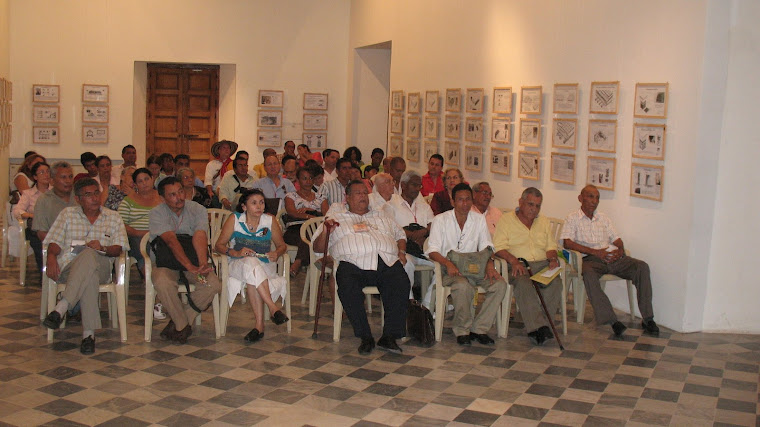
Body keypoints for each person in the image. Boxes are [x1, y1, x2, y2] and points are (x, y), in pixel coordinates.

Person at [313, 180, 410, 355]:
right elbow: (318, 247)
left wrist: (401, 251)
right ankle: (365, 336)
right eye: (358, 193)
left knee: (400, 281)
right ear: (347, 198)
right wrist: (328, 231)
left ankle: (389, 336)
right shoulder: (336, 218)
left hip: (385, 260)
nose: (363, 196)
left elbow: (400, 234)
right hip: (352, 263)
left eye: (365, 193)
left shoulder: (381, 216)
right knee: (347, 285)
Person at [42, 178, 129, 355]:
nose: (94, 198)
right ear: (78, 199)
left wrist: (103, 247)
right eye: (88, 195)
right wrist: (51, 256)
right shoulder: (67, 214)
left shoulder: (113, 217)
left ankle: (62, 307)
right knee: (90, 274)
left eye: (96, 193)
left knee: (90, 254)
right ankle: (88, 335)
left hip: (102, 265)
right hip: (69, 268)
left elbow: (118, 248)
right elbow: (54, 242)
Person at [561, 185, 659, 337]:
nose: (594, 201)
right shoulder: (572, 218)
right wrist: (595, 252)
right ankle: (612, 320)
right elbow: (567, 243)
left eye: (597, 197)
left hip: (612, 257)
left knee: (641, 267)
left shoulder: (604, 218)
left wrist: (620, 251)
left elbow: (617, 239)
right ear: (580, 198)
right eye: (590, 196)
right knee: (589, 275)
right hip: (591, 259)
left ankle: (648, 318)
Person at [426, 183, 507, 346]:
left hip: (475, 268)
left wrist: (490, 264)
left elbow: (487, 246)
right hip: (449, 269)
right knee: (463, 286)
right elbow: (432, 250)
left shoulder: (478, 220)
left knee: (500, 285)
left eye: (468, 199)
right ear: (452, 201)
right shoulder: (440, 220)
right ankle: (462, 330)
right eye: (460, 200)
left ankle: (479, 328)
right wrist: (447, 263)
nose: (465, 204)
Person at [149, 177, 222, 344]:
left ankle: (179, 322)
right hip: (166, 263)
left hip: (195, 260)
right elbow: (171, 242)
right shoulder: (156, 213)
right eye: (172, 194)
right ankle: (183, 326)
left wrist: (202, 265)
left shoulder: (198, 209)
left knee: (212, 284)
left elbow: (200, 235)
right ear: (163, 198)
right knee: (162, 282)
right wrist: (189, 266)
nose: (179, 197)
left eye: (180, 191)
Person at [214, 189, 290, 343]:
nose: (259, 206)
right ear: (244, 206)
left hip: (264, 265)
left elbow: (282, 246)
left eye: (261, 202)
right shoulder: (234, 219)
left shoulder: (270, 221)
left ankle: (259, 327)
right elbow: (219, 246)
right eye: (254, 203)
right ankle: (273, 308)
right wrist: (235, 252)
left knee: (253, 271)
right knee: (250, 262)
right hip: (238, 264)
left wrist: (277, 253)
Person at [493, 188, 562, 346]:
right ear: (520, 202)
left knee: (556, 283)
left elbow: (551, 245)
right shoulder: (506, 220)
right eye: (531, 204)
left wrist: (552, 259)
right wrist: (513, 260)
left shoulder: (543, 221)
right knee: (524, 284)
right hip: (518, 264)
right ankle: (537, 328)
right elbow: (498, 247)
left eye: (538, 206)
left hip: (541, 264)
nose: (534, 209)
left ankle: (542, 325)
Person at [389, 171, 435, 292]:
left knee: (442, 267)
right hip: (402, 249)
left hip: (422, 249)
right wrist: (411, 235)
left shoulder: (424, 206)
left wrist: (423, 232)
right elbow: (391, 227)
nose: (417, 189)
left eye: (419, 186)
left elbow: (433, 225)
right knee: (406, 263)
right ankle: (407, 302)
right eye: (414, 185)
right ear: (403, 185)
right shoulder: (391, 204)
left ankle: (428, 302)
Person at [118, 168, 162, 280]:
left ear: (152, 179)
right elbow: (120, 224)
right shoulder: (128, 201)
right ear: (135, 184)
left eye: (146, 179)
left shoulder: (163, 198)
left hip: (160, 235)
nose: (144, 183)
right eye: (140, 181)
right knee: (142, 245)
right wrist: (139, 233)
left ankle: (159, 276)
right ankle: (150, 278)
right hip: (136, 237)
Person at [283, 167, 328, 277]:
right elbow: (292, 212)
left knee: (310, 235)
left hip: (315, 230)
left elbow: (327, 215)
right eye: (304, 178)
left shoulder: (321, 197)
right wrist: (310, 216)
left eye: (310, 178)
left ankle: (297, 263)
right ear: (298, 180)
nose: (308, 181)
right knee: (308, 236)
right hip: (294, 229)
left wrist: (309, 212)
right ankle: (311, 264)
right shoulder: (291, 196)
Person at [13, 161, 50, 272]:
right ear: (35, 177)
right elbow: (17, 211)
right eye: (42, 172)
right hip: (36, 227)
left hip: (53, 226)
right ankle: (44, 274)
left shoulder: (56, 192)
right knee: (38, 241)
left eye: (48, 172)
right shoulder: (28, 194)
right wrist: (32, 215)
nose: (46, 175)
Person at [33, 161, 77, 244]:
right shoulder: (43, 200)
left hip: (82, 245)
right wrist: (64, 245)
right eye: (63, 177)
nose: (68, 181)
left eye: (70, 177)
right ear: (52, 181)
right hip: (57, 247)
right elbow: (41, 234)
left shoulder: (80, 197)